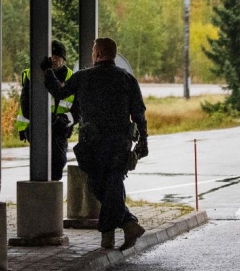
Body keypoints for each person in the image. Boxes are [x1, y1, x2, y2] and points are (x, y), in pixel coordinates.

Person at [43, 37, 148, 251]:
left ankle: (113, 232)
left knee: (100, 186)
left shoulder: (84, 77)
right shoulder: (127, 79)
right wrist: (143, 141)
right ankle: (127, 225)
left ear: (98, 54)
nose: (92, 54)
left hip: (94, 143)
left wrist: (47, 72)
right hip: (120, 143)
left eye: (93, 50)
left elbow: (59, 91)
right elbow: (139, 113)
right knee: (113, 185)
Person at [16, 39, 80, 181]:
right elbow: (26, 106)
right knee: (42, 161)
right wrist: (50, 118)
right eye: (52, 57)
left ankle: (51, 191)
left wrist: (64, 121)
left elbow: (78, 109)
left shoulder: (72, 77)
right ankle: (43, 192)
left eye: (58, 57)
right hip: (37, 125)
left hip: (60, 128)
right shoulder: (32, 75)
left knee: (58, 161)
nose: (54, 60)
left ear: (63, 59)